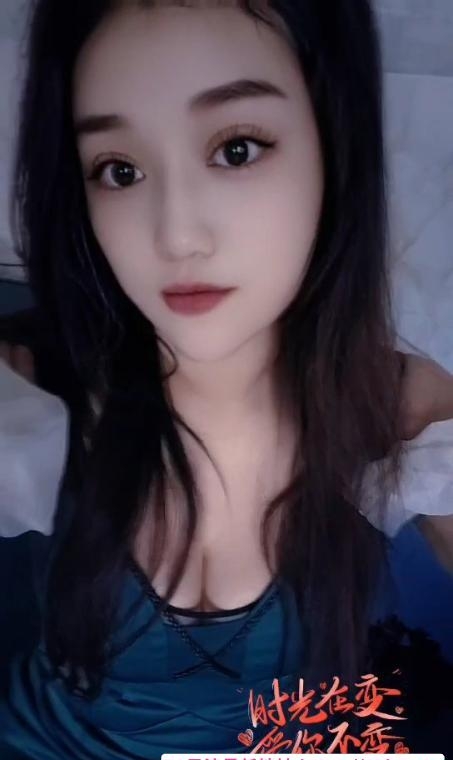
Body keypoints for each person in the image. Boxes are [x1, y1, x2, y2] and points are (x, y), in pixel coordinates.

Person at [0, 1, 452, 756]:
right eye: (119, 171)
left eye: (237, 150)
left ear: (332, 145)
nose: (176, 234)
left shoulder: (401, 407)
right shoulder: (37, 390)